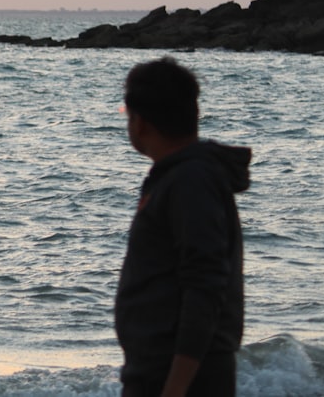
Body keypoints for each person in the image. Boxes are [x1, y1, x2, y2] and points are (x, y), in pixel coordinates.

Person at [114, 57, 251, 397]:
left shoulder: (190, 180)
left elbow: (204, 283)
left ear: (140, 122)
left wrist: (175, 387)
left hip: (182, 377)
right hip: (158, 369)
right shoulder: (178, 176)